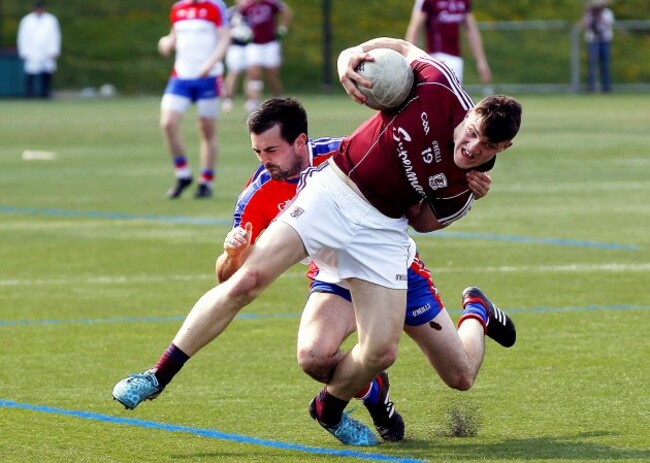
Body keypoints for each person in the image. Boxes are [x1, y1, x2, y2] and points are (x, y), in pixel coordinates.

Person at [112, 37, 521, 447]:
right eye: (470, 133)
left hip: (383, 231)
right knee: (248, 280)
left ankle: (332, 404)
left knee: (385, 352)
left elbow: (423, 221)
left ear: (504, 147)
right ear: (471, 112)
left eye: (486, 146)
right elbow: (400, 45)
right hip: (337, 190)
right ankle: (156, 375)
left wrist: (465, 201)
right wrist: (347, 59)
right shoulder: (439, 85)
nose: (471, 147)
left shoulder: (466, 186)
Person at [215, 97, 495, 442]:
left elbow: (416, 189)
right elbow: (227, 277)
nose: (263, 161)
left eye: (270, 150)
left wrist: (463, 188)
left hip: (393, 267)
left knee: (461, 376)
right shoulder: (258, 191)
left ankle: (477, 312)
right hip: (336, 276)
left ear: (299, 141)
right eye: (257, 152)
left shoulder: (345, 154)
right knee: (314, 357)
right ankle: (373, 394)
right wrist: (233, 254)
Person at [158, 0, 231, 200]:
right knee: (168, 123)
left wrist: (211, 63)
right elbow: (174, 36)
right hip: (181, 77)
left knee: (206, 129)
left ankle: (206, 181)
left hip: (208, 78)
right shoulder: (178, 9)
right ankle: (183, 174)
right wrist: (166, 41)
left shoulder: (215, 7)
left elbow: (225, 39)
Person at [405, 0, 490, 85]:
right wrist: (408, 61)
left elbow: (472, 31)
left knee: (453, 96)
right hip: (435, 57)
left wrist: (481, 61)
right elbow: (415, 29)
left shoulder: (463, 2)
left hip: (456, 59)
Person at [240, 0, 292, 113]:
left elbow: (286, 12)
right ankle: (254, 106)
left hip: (270, 44)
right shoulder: (248, 6)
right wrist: (244, 31)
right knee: (254, 75)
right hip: (254, 44)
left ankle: (279, 102)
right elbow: (240, 19)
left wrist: (283, 28)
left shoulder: (271, 4)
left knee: (272, 76)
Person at [17, 0, 61, 99]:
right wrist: (24, 50)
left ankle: (45, 94)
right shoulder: (27, 20)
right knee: (30, 73)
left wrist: (54, 50)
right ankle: (28, 95)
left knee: (47, 73)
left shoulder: (51, 20)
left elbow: (55, 36)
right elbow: (22, 36)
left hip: (47, 50)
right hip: (32, 50)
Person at [221, 0, 252, 113]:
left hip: (251, 46)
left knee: (251, 74)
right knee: (233, 72)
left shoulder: (253, 10)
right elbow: (225, 31)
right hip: (235, 46)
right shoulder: (231, 12)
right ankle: (228, 99)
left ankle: (250, 102)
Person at [582, 0, 615, 93]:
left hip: (605, 40)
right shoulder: (590, 13)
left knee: (605, 64)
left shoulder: (607, 13)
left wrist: (600, 17)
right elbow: (584, 25)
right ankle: (591, 87)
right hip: (593, 41)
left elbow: (610, 24)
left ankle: (606, 87)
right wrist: (590, 16)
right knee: (592, 64)